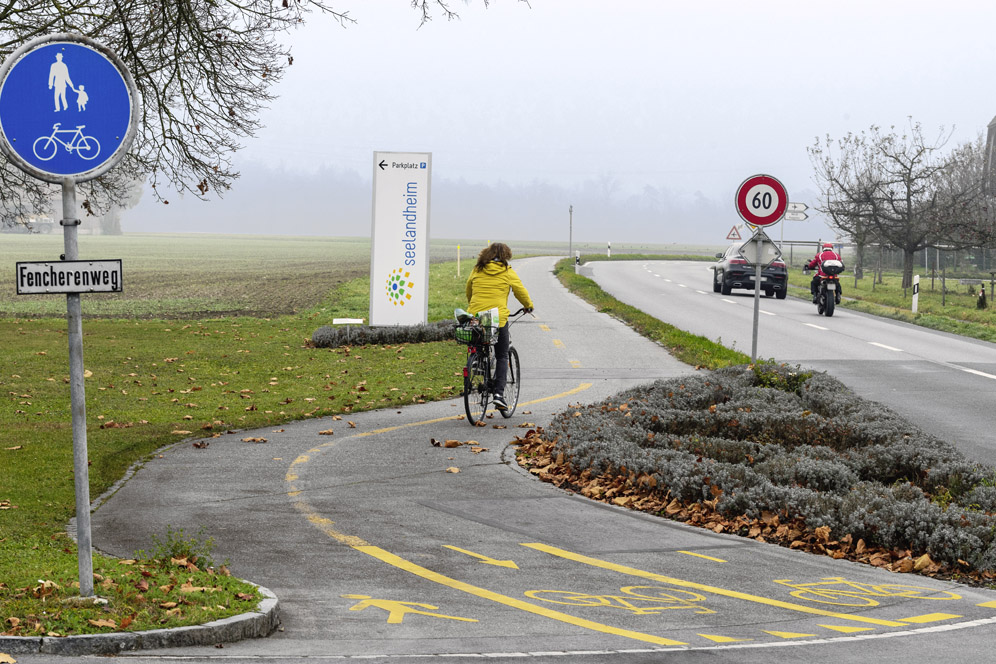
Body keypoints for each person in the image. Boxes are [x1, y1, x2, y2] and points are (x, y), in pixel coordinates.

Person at [465, 243, 533, 411]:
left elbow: (469, 289)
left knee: (478, 340)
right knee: (502, 355)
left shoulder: (477, 269)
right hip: (497, 319)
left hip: (476, 317)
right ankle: (498, 395)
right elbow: (520, 291)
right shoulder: (507, 271)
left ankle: (477, 361)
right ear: (506, 256)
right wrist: (528, 305)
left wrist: (473, 307)